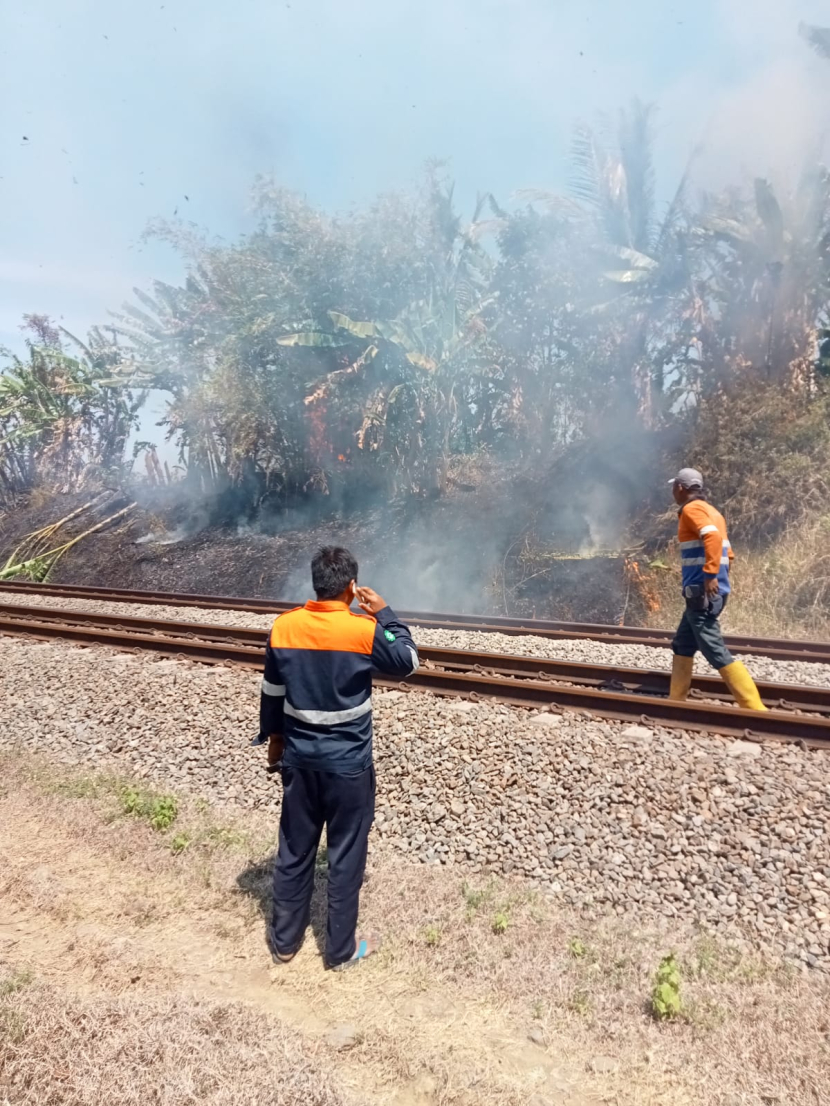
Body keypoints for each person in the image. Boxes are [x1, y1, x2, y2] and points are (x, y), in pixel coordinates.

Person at [256, 546, 419, 971]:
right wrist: (385, 614)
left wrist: (274, 739)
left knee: (294, 848)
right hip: (349, 766)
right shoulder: (363, 629)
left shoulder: (284, 627)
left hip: (299, 760)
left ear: (315, 584)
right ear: (351, 587)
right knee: (345, 855)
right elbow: (409, 661)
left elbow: (272, 692)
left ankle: (285, 944)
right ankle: (340, 951)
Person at [667, 467, 766, 711]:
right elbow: (728, 553)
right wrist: (720, 580)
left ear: (680, 488)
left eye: (673, 487)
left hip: (702, 592)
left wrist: (710, 576)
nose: (672, 492)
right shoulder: (713, 512)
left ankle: (754, 707)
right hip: (710, 592)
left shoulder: (692, 510)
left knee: (714, 650)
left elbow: (711, 538)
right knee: (683, 643)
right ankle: (675, 702)